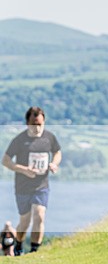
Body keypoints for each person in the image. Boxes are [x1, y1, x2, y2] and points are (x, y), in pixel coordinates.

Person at [2, 107, 62, 255]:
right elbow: (5, 160)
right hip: (22, 187)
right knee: (25, 221)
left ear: (44, 122)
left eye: (40, 124)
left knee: (39, 214)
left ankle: (35, 250)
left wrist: (54, 163)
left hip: (41, 185)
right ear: (27, 123)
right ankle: (19, 244)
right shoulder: (20, 140)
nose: (37, 128)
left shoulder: (49, 137)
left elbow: (57, 152)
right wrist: (23, 170)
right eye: (34, 125)